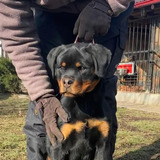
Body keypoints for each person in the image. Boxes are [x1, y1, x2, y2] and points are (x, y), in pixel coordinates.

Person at [0, 0, 134, 159]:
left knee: (102, 85)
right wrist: (43, 95)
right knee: (44, 102)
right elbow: (15, 33)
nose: (67, 80)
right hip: (50, 16)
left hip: (108, 11)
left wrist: (106, 5)